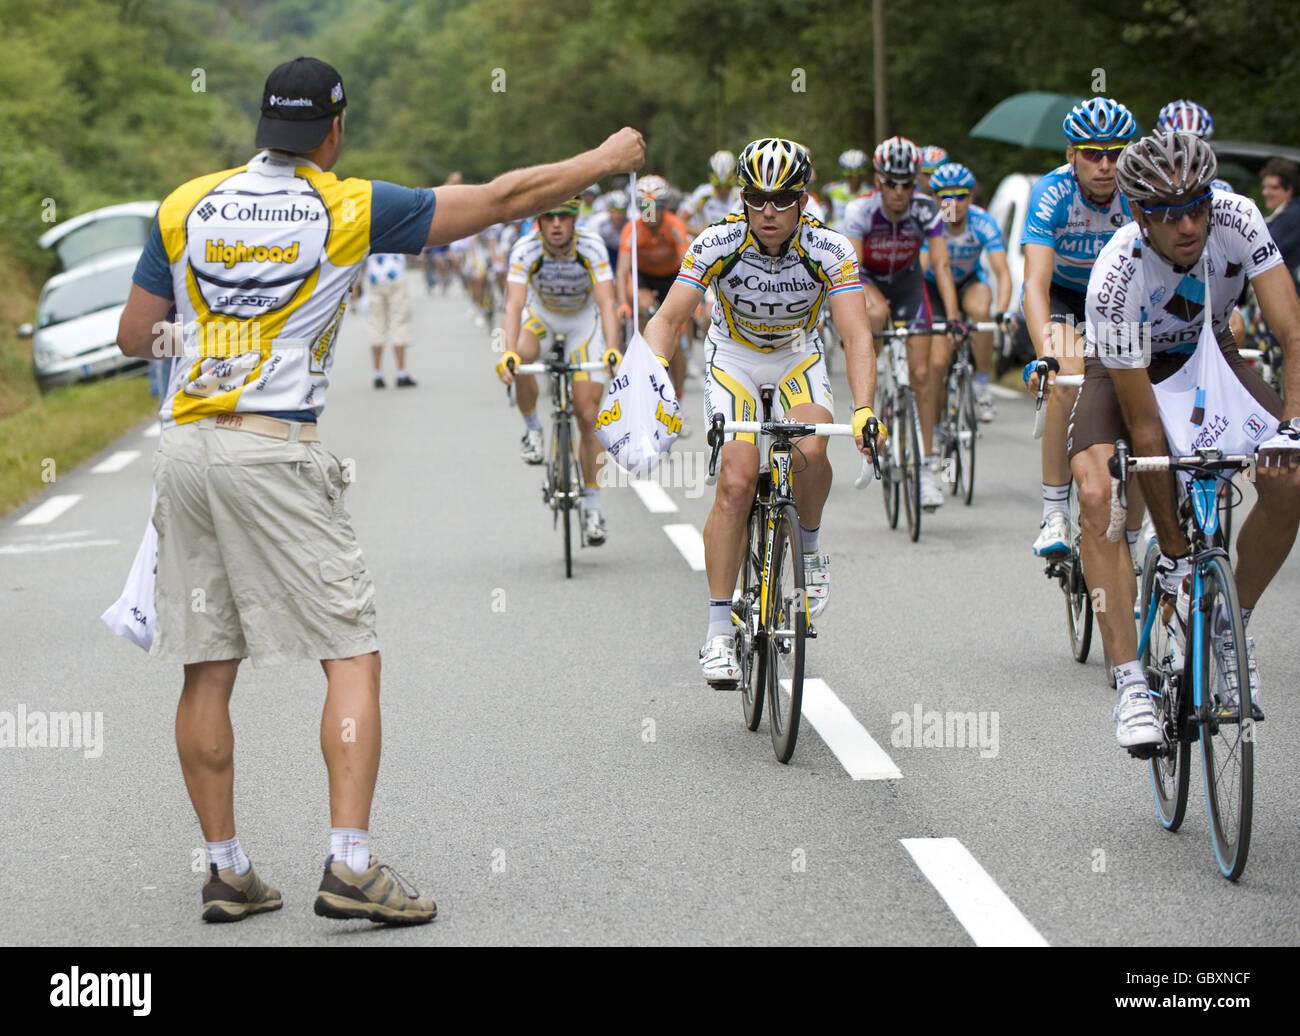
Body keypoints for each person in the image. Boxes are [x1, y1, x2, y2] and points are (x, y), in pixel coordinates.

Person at [114, 55, 644, 925]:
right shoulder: (347, 205)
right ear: (334, 129)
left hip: (186, 449)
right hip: (274, 448)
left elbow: (139, 333)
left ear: (260, 126)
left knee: (208, 664)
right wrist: (600, 158)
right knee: (350, 652)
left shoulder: (185, 204)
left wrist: (224, 344)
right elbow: (508, 199)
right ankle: (350, 866)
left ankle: (225, 868)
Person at [1067, 131, 1300, 749]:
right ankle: (1130, 687)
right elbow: (1145, 428)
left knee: (1293, 475)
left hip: (1208, 354)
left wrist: (1295, 429)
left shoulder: (1237, 216)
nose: (1189, 224)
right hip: (1127, 371)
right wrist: (1171, 549)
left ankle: (1229, 622)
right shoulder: (1116, 275)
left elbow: (1293, 331)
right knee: (1098, 496)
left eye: (1196, 205)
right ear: (1139, 214)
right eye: (1169, 214)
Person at [640, 138, 881, 685]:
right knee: (737, 479)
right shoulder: (717, 241)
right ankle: (719, 633)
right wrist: (654, 375)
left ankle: (811, 549)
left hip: (798, 355)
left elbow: (856, 334)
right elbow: (668, 319)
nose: (768, 211)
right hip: (735, 359)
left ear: (803, 199)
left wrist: (865, 409)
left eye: (783, 198)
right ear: (743, 198)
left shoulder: (830, 249)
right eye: (756, 197)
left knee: (812, 448)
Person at [1021, 97, 1137, 557]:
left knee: (1141, 383)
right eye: (1093, 153)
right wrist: (1044, 354)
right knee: (1067, 380)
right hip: (1065, 297)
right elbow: (1034, 283)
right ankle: (1054, 512)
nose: (1106, 165)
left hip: (1120, 300)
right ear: (1072, 155)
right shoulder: (1051, 192)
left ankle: (1144, 516)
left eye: (1115, 153)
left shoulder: (1137, 191)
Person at [494, 196, 622, 543]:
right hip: (542, 317)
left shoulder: (592, 246)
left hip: (583, 322)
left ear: (575, 218)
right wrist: (507, 354)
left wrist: (612, 347)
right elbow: (514, 304)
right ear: (539, 220)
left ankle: (593, 509)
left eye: (563, 217)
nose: (556, 224)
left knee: (587, 413)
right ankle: (532, 429)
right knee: (521, 358)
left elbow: (607, 302)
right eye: (548, 216)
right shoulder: (525, 249)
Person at [844, 135, 959, 510]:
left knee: (924, 376)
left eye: (906, 184)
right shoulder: (860, 211)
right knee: (874, 314)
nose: (898, 191)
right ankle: (871, 394)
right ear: (877, 180)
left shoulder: (927, 211)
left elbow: (941, 265)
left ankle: (925, 468)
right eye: (890, 183)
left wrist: (954, 317)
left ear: (916, 182)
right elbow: (852, 271)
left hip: (909, 284)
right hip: (870, 280)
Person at [921, 162, 1012, 422]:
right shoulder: (932, 223)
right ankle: (936, 430)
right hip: (935, 287)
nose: (954, 202)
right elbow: (922, 270)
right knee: (938, 364)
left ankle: (982, 384)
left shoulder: (983, 222)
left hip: (969, 282)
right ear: (935, 198)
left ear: (971, 197)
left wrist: (1003, 311)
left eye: (961, 195)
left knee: (981, 309)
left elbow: (1002, 272)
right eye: (945, 196)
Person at [616, 174, 692, 401]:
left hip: (671, 277)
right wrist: (623, 305)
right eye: (644, 206)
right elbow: (621, 272)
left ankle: (677, 396)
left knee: (675, 338)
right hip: (644, 278)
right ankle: (642, 378)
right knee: (643, 309)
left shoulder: (674, 225)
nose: (649, 211)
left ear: (665, 206)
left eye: (655, 206)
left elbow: (689, 265)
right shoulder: (632, 229)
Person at [362, 252, 416, 388]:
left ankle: (377, 374)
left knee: (375, 325)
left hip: (374, 276)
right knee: (399, 323)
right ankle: (401, 373)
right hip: (395, 274)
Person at [678, 150, 742, 235]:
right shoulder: (702, 194)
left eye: (728, 186)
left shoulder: (740, 196)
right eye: (718, 186)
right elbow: (680, 220)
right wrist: (705, 234)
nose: (723, 191)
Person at [1261, 157, 1300, 281]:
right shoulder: (1281, 213)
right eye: (1265, 187)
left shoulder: (1293, 215)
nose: (1266, 192)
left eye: (1274, 188)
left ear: (1289, 189)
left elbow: (1265, 249)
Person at [822, 149, 872, 233]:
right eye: (850, 173)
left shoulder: (869, 191)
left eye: (858, 173)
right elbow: (825, 193)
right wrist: (830, 215)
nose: (854, 178)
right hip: (836, 235)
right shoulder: (832, 189)